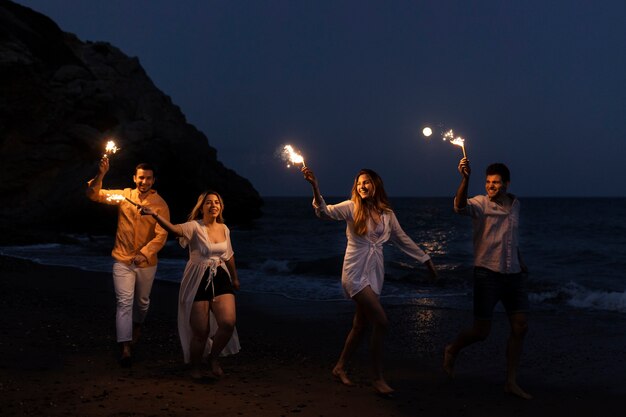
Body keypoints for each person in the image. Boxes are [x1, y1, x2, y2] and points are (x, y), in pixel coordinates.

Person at [302, 167, 438, 396]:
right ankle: (377, 377)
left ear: (376, 185)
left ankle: (339, 367)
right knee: (381, 322)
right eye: (359, 183)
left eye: (366, 182)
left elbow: (403, 240)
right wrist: (315, 186)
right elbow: (324, 212)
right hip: (354, 272)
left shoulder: (387, 215)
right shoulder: (351, 207)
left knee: (360, 324)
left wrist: (426, 260)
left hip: (375, 272)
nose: (362, 186)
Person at [443, 157, 532, 400]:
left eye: (495, 182)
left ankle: (510, 382)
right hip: (487, 274)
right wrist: (465, 179)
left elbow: (510, 237)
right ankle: (452, 349)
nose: (490, 186)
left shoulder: (515, 205)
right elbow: (459, 207)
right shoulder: (480, 204)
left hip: (514, 275)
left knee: (520, 327)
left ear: (507, 184)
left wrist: (519, 258)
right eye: (488, 182)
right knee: (481, 332)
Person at [140, 191, 240, 380]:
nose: (213, 205)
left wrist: (235, 278)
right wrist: (155, 215)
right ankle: (195, 367)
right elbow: (174, 230)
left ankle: (213, 358)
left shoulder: (224, 228)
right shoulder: (194, 227)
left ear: (221, 207)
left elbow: (229, 255)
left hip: (220, 275)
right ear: (201, 207)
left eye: (216, 202)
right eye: (208, 202)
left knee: (228, 323)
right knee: (201, 331)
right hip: (197, 277)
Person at [86, 157, 170, 367]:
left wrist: (145, 252)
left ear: (153, 180)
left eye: (148, 178)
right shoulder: (123, 196)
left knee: (141, 303)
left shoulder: (160, 205)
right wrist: (101, 174)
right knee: (124, 303)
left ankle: (138, 324)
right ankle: (125, 348)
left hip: (146, 263)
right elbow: (94, 195)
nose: (144, 182)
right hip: (122, 260)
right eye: (141, 178)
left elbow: (162, 234)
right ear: (135, 178)